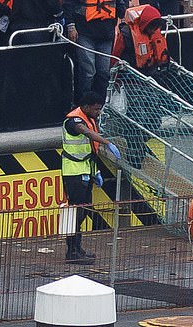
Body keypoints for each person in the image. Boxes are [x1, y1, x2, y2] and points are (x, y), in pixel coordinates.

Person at [62, 91, 121, 264]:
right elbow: (85, 133)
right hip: (73, 172)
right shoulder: (74, 121)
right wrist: (107, 143)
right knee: (76, 212)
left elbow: (89, 150)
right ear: (86, 107)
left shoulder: (89, 118)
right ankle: (71, 252)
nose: (98, 113)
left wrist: (95, 172)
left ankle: (77, 248)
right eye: (96, 109)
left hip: (86, 170)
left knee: (83, 211)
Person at [64, 0, 125, 100]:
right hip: (85, 32)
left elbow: (119, 0)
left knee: (104, 71)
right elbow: (69, 3)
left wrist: (122, 15)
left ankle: (100, 103)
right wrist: (71, 26)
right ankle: (84, 101)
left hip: (106, 33)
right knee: (88, 70)